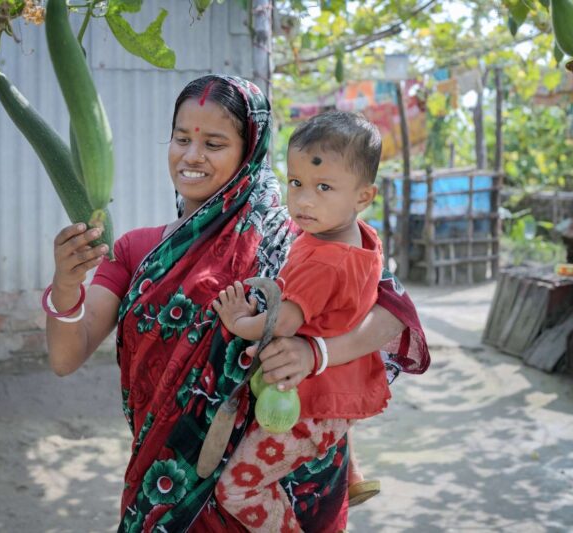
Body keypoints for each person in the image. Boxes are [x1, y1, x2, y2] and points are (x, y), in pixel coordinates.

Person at [44, 75, 429, 532]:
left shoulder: (303, 231)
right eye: (182, 138)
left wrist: (315, 353)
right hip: (171, 481)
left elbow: (391, 315)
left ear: (249, 151)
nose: (192, 155)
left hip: (283, 480)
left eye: (214, 142)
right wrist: (66, 286)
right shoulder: (138, 250)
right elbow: (67, 356)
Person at [211, 110, 391, 532]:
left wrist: (240, 323)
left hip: (311, 403)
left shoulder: (321, 262)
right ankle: (353, 474)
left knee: (237, 490)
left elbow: (282, 323)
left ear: (363, 197)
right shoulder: (362, 238)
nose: (304, 200)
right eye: (296, 184)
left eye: (323, 187)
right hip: (340, 390)